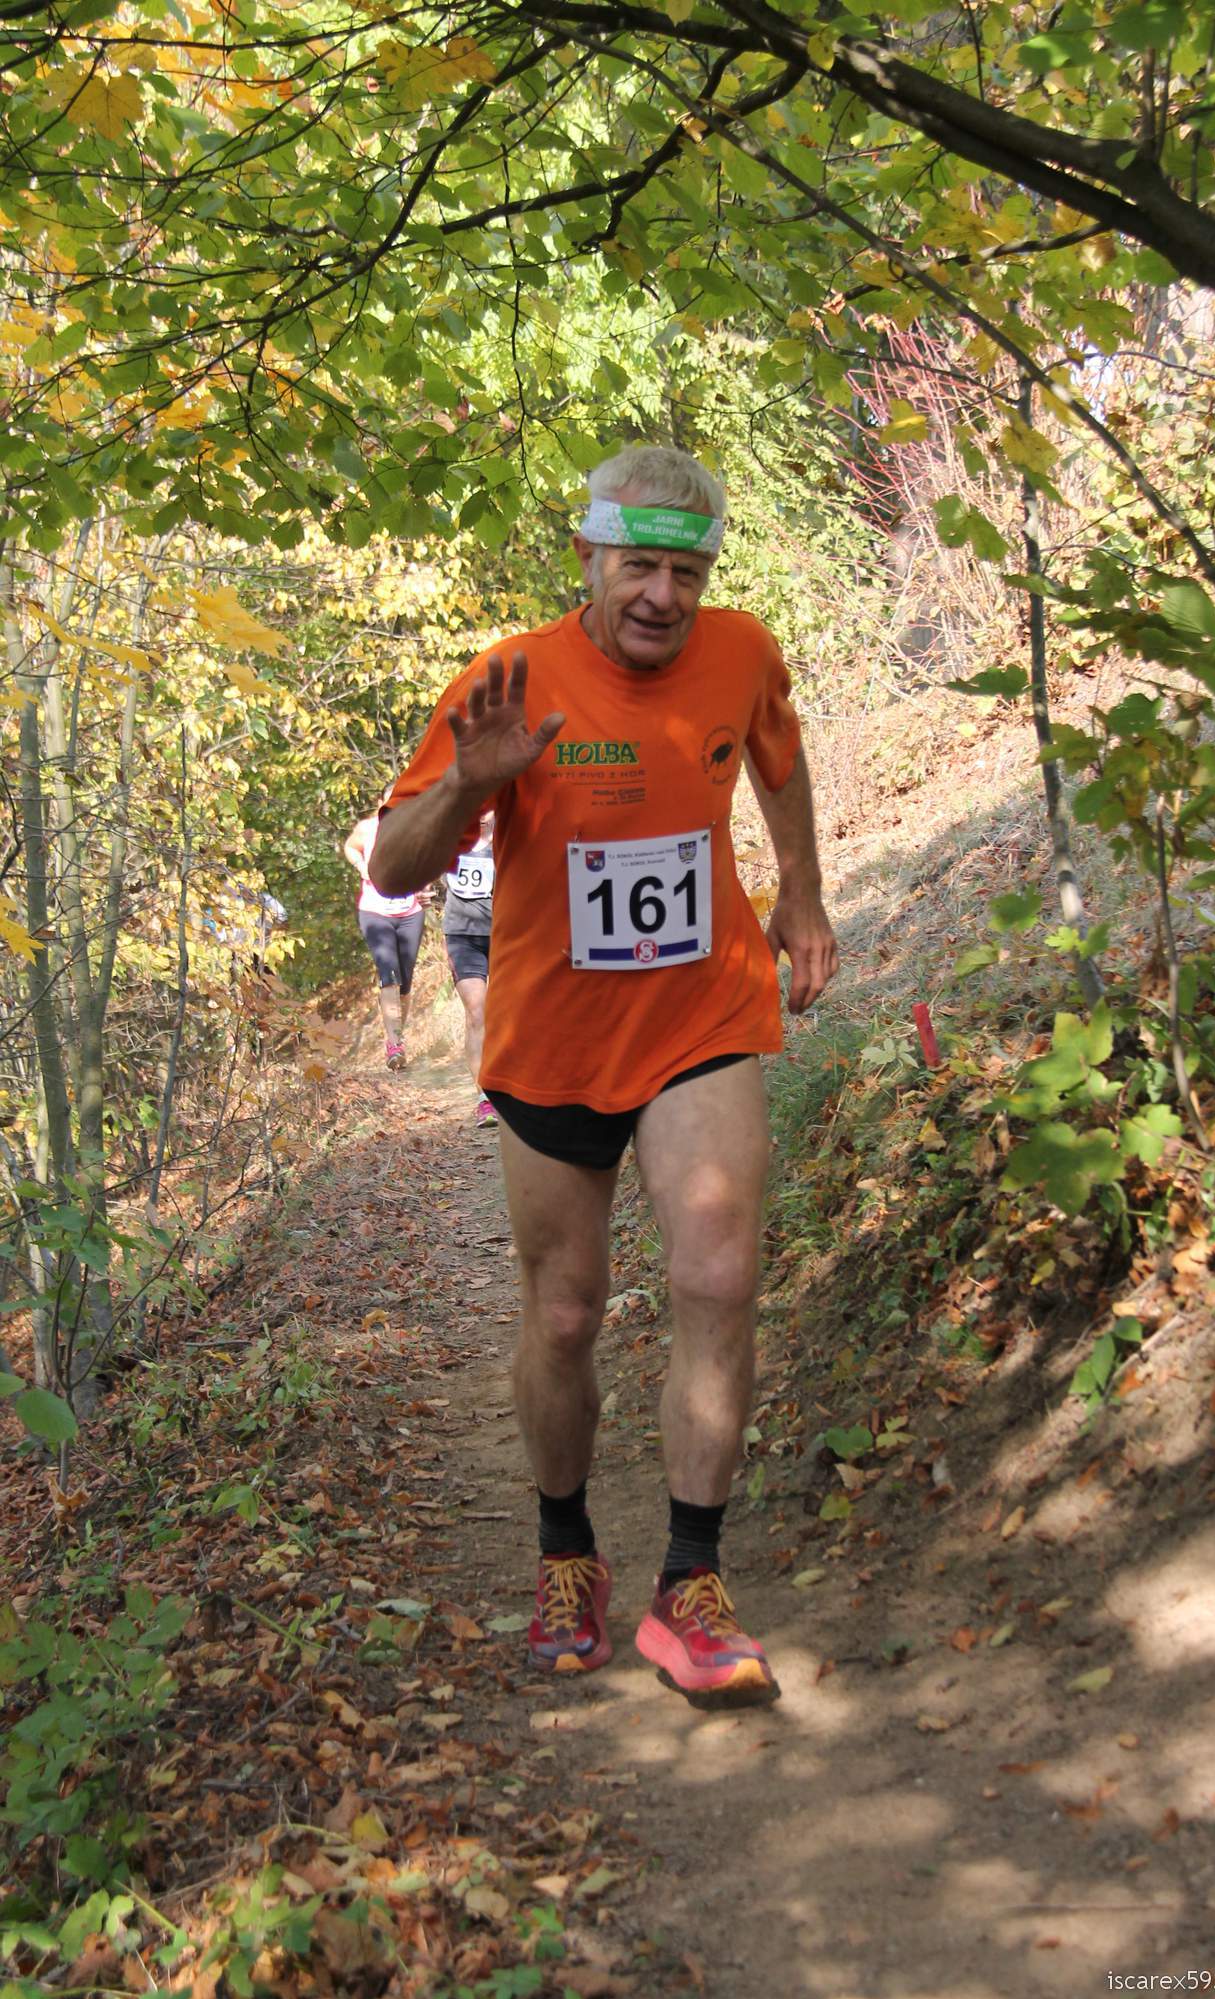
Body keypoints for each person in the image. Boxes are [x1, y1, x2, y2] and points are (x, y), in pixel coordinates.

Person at [371, 445, 838, 1707]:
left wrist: (799, 890)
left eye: (687, 573)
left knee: (718, 1272)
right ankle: (565, 1548)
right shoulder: (508, 682)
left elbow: (778, 757)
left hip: (701, 1017)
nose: (662, 597)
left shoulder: (741, 652)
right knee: (567, 1311)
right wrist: (470, 782)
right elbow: (397, 866)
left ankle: (691, 1583)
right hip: (555, 1039)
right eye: (638, 566)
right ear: (585, 555)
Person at [344, 793, 426, 1072]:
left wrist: (425, 887)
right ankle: (395, 1044)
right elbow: (350, 847)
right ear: (380, 802)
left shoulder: (415, 829)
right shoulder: (368, 829)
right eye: (390, 801)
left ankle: (398, 1035)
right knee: (389, 974)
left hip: (410, 913)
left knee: (405, 982)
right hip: (375, 913)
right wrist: (361, 866)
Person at [442, 809, 498, 1128]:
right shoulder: (452, 839)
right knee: (477, 1012)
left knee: (505, 1013)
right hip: (461, 935)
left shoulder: (508, 840)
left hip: (504, 934)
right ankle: (484, 1099)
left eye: (488, 808)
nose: (481, 815)